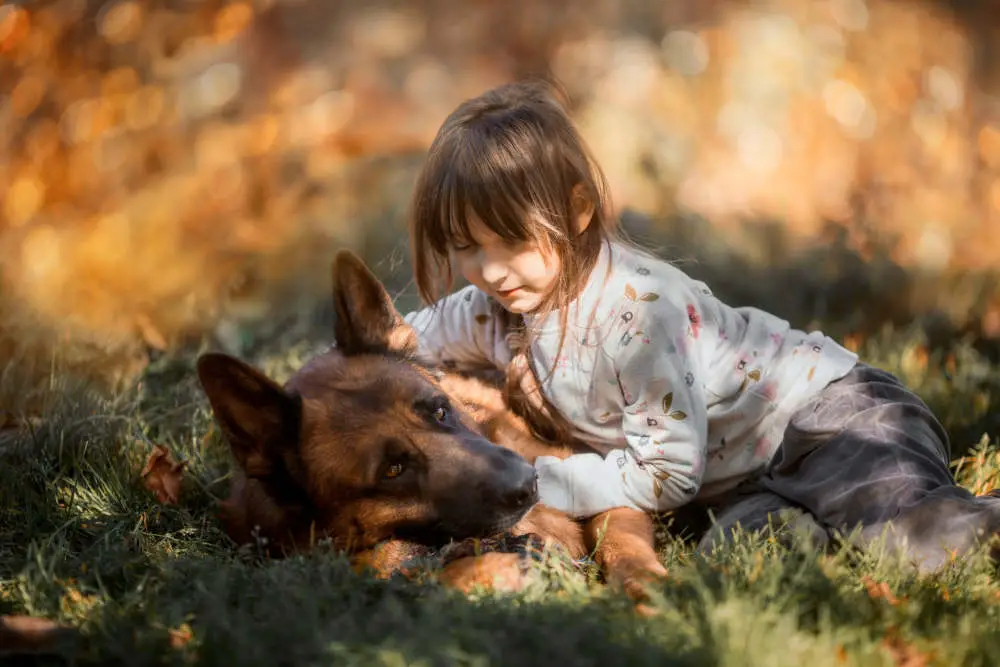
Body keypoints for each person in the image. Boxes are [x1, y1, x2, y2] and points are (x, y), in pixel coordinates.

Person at [401, 79, 1000, 572]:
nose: (490, 269)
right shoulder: (492, 306)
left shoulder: (638, 313)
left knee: (924, 548)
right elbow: (392, 344)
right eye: (464, 246)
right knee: (737, 561)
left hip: (828, 422)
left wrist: (540, 482)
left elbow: (665, 472)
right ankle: (813, 524)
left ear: (578, 211)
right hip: (741, 483)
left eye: (511, 240)